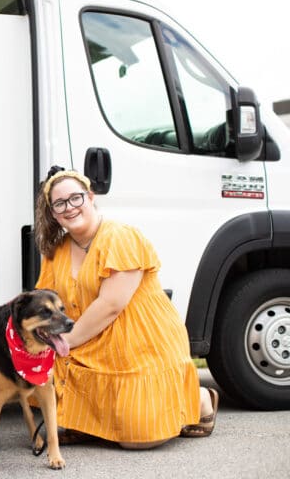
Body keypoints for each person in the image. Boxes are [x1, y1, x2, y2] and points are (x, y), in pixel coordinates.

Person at [34, 166, 218, 449]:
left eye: (75, 198)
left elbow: (111, 305)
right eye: (59, 203)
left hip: (138, 342)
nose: (69, 208)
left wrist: (65, 342)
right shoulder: (56, 250)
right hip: (89, 339)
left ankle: (199, 398)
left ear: (91, 197)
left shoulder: (120, 237)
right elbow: (44, 301)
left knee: (140, 441)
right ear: (53, 213)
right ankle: (89, 423)